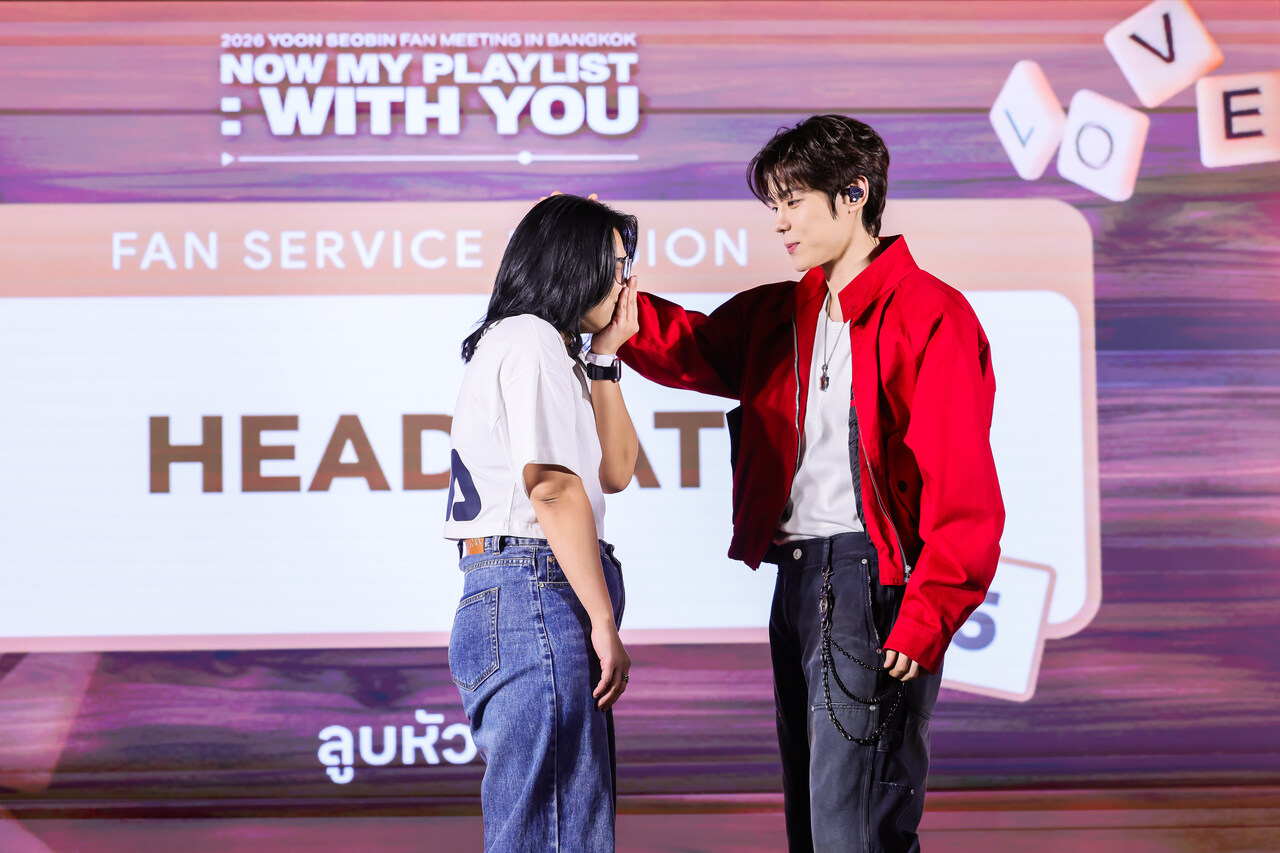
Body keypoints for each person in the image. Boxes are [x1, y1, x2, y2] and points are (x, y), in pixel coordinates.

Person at [617, 115, 1005, 852]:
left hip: (872, 590)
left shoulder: (931, 314)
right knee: (815, 826)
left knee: (855, 830)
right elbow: (689, 348)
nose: (780, 222)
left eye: (793, 201)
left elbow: (963, 489)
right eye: (775, 205)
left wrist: (927, 614)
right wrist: (596, 275)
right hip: (796, 584)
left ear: (854, 194)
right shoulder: (780, 312)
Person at [444, 193, 641, 853]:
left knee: (559, 828)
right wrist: (603, 621)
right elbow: (553, 488)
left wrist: (606, 358)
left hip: (526, 590)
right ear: (574, 263)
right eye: (615, 263)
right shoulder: (528, 338)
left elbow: (616, 469)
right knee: (554, 833)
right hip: (534, 588)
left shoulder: (549, 349)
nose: (625, 281)